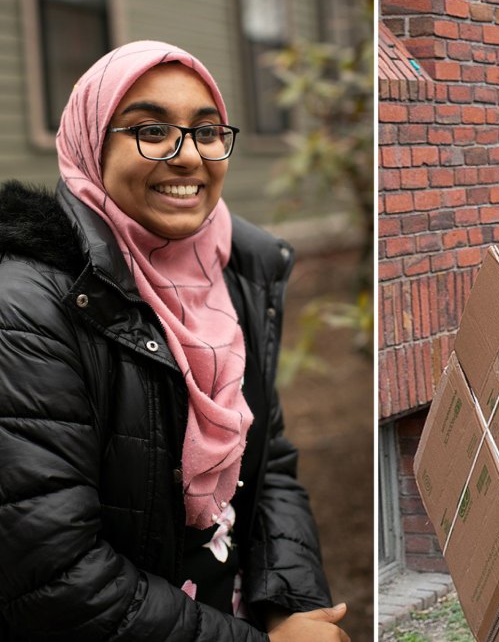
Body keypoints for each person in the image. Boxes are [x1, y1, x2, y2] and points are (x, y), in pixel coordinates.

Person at [0, 41, 349, 641]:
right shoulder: (29, 309)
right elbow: (54, 577)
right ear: (90, 143)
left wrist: (288, 604)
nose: (187, 156)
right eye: (150, 129)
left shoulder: (232, 278)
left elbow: (271, 463)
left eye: (207, 131)